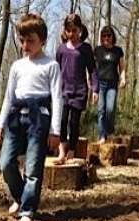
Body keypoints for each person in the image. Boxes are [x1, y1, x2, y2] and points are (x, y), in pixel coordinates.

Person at [0, 13, 63, 221]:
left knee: (33, 168)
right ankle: (21, 197)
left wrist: (55, 131)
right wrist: (0, 122)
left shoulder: (51, 65)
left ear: (42, 40)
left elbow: (58, 98)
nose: (25, 45)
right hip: (16, 118)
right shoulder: (17, 66)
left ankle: (27, 209)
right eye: (22, 40)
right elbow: (8, 97)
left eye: (30, 40)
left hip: (39, 120)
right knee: (5, 162)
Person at [55, 13, 98, 164]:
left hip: (79, 92)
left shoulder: (86, 49)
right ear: (65, 31)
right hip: (63, 91)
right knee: (62, 121)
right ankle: (61, 151)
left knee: (74, 122)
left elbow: (92, 70)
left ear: (80, 30)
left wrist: (95, 89)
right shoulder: (61, 49)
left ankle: (72, 151)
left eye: (74, 30)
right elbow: (56, 71)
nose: (71, 34)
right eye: (69, 30)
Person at [94, 26, 126, 144]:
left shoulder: (118, 51)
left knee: (110, 109)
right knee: (101, 110)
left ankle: (110, 131)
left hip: (113, 84)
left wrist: (123, 78)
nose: (106, 38)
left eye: (109, 36)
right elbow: (93, 69)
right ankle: (102, 135)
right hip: (100, 83)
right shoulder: (97, 50)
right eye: (104, 36)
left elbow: (122, 68)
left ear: (113, 37)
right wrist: (92, 84)